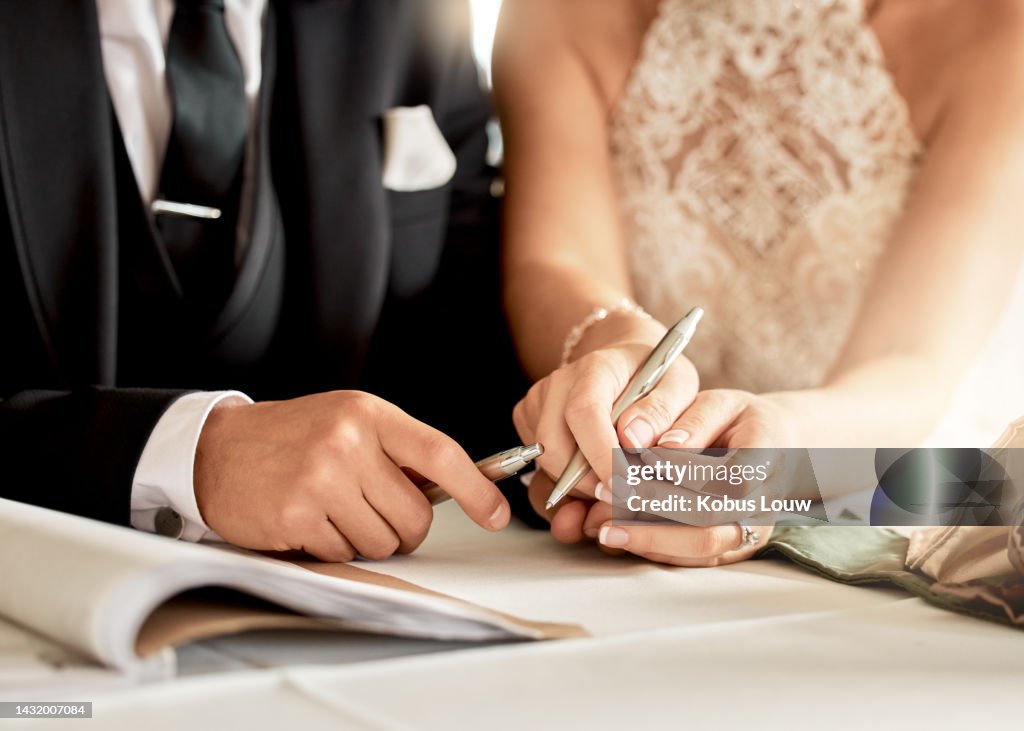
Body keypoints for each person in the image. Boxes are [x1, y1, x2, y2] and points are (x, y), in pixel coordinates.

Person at [494, 0, 1024, 565]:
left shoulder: (998, 23)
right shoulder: (555, 12)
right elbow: (555, 263)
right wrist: (609, 355)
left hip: (915, 499)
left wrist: (779, 448)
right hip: (638, 499)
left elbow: (912, 361)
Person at [0, 0, 527, 561]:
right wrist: (192, 458)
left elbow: (475, 370)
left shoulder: (412, 16)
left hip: (352, 610)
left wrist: (622, 470)